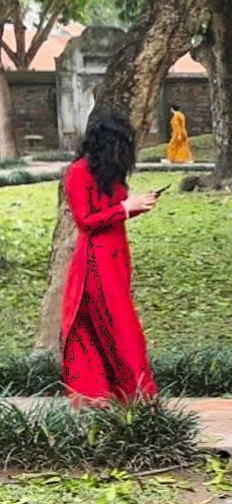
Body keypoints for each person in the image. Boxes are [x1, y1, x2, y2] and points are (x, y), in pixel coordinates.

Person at [61, 114, 160, 404]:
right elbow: (86, 220)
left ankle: (115, 393)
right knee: (119, 326)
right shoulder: (79, 172)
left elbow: (113, 209)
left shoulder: (109, 173)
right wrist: (126, 208)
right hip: (96, 260)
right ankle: (136, 394)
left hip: (116, 256)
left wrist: (137, 206)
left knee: (114, 323)